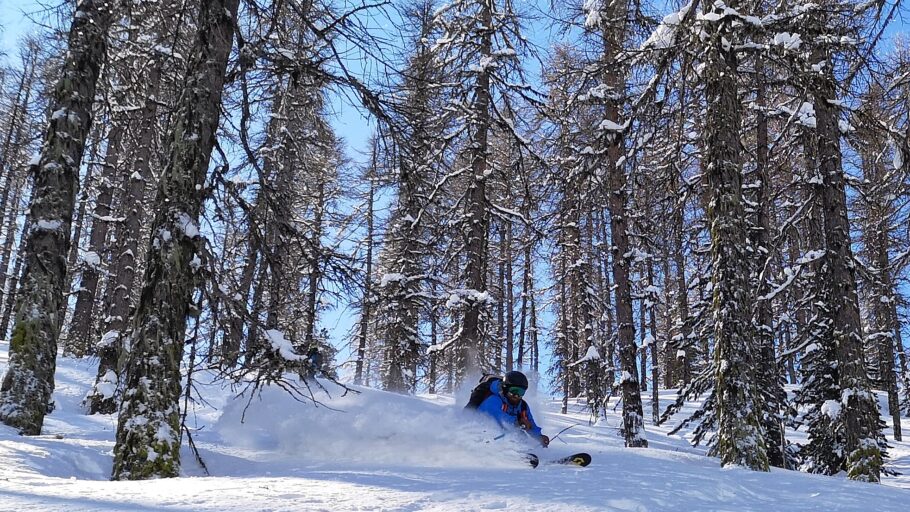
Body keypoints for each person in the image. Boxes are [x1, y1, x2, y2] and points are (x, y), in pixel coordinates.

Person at [473, 371, 549, 447]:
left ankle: (522, 455)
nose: (517, 395)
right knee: (510, 434)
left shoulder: (522, 406)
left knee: (521, 436)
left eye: (521, 392)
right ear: (505, 388)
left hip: (501, 437)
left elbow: (529, 423)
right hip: (482, 436)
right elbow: (499, 417)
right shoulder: (493, 400)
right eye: (514, 391)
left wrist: (539, 437)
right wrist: (518, 422)